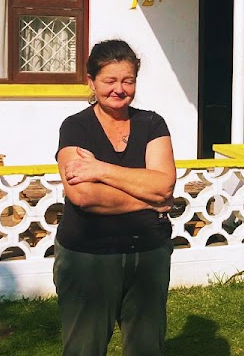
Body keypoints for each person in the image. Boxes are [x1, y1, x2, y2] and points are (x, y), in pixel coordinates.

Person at [53, 39, 176, 356]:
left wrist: (101, 169)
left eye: (128, 80)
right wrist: (150, 198)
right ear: (91, 82)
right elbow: (84, 195)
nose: (119, 89)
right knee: (84, 348)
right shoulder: (76, 127)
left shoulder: (152, 123)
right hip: (88, 257)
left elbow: (164, 185)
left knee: (147, 348)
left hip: (149, 254)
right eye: (109, 80)